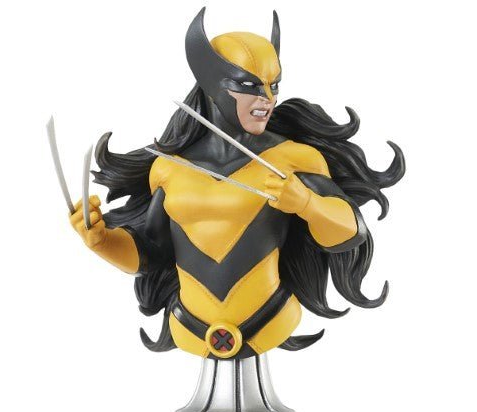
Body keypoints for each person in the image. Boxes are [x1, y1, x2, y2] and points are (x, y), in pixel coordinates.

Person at [69, 8, 404, 360]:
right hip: (189, 327)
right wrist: (103, 241)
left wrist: (307, 203)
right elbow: (153, 252)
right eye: (248, 86)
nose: (267, 98)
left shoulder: (293, 158)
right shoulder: (168, 168)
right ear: (212, 85)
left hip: (270, 319)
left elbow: (350, 232)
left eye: (273, 85)